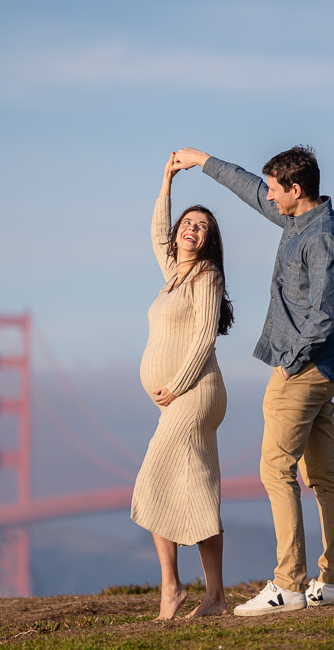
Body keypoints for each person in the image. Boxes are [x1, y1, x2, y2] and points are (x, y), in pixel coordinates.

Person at [172, 145, 334, 616]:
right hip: (319, 368)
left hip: (304, 371)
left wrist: (290, 362)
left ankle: (288, 585)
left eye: (276, 190)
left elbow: (325, 315)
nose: (269, 197)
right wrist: (204, 161)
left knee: (276, 470)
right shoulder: (299, 219)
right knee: (323, 474)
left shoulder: (323, 238)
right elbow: (251, 189)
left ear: (296, 189)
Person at [131, 151, 234, 620]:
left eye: (202, 227)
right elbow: (157, 231)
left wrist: (175, 385)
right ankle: (214, 597)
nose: (192, 229)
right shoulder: (172, 274)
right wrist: (166, 182)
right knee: (197, 490)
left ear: (209, 241)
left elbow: (205, 334)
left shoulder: (206, 275)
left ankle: (172, 588)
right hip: (178, 399)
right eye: (187, 224)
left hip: (196, 393)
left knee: (153, 477)